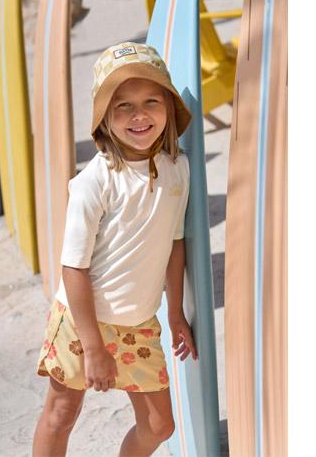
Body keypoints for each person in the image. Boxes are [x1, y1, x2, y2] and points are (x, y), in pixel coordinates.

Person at [32, 41, 198, 457]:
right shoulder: (94, 182)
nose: (139, 115)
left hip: (139, 324)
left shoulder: (179, 168)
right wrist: (93, 348)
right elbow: (73, 267)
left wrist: (175, 313)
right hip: (80, 322)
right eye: (123, 105)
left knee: (159, 426)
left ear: (169, 105)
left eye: (151, 101)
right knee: (61, 413)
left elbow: (174, 243)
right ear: (104, 116)